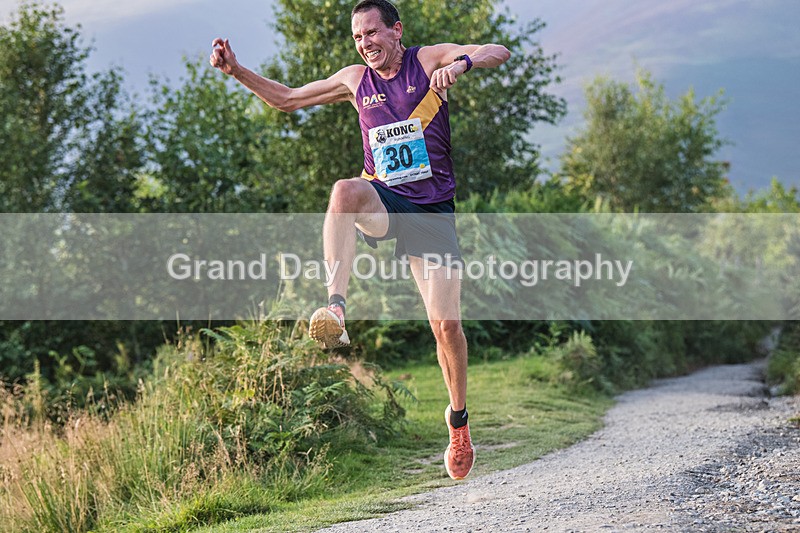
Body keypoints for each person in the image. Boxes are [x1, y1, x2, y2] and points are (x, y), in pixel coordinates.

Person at [210, 0, 510, 480]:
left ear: (396, 31)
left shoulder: (427, 60)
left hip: (432, 213)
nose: (365, 43)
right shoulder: (354, 81)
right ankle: (336, 308)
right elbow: (287, 99)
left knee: (446, 327)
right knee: (344, 191)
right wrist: (237, 70)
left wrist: (461, 63)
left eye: (372, 33)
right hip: (385, 201)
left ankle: (458, 421)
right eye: (357, 37)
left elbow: (499, 50)